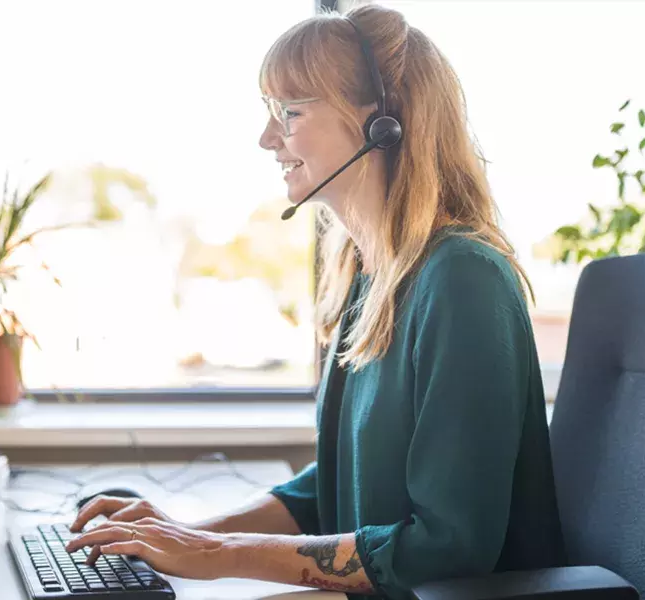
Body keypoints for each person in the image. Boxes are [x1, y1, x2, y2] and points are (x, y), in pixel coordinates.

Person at [64, 5, 567, 600]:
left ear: (382, 122)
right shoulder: (367, 275)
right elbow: (327, 489)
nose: (267, 138)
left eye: (290, 112)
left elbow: (449, 547)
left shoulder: (462, 279)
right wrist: (183, 533)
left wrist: (219, 554)